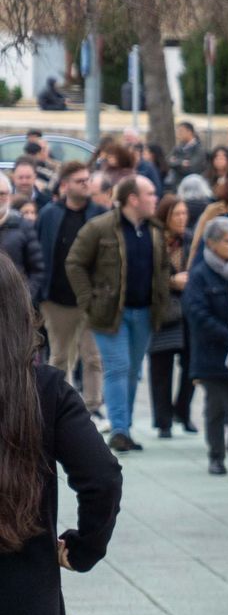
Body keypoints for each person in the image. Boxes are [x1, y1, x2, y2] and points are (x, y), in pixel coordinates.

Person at [0, 256, 121, 615]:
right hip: (17, 599)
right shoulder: (43, 389)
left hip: (19, 596)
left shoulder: (43, 390)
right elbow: (101, 475)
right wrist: (84, 546)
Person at [66, 175, 168, 453]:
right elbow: (74, 263)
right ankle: (119, 429)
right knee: (118, 367)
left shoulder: (155, 230)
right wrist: (88, 300)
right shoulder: (99, 228)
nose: (155, 198)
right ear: (133, 199)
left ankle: (125, 427)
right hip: (110, 314)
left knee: (133, 372)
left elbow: (162, 268)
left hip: (145, 312)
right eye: (150, 193)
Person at [184, 218, 228, 476]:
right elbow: (196, 313)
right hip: (212, 353)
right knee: (216, 408)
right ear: (212, 243)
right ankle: (216, 456)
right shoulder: (200, 275)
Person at [36, 162, 105, 421]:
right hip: (56, 298)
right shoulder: (49, 214)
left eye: (87, 179)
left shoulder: (99, 214)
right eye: (79, 181)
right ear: (64, 186)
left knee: (93, 356)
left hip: (91, 298)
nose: (86, 184)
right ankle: (56, 404)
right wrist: (39, 291)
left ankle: (92, 406)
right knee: (60, 356)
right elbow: (39, 251)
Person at [147, 195, 195, 439]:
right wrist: (171, 282)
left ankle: (183, 412)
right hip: (163, 312)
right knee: (161, 368)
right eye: (176, 214)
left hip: (189, 311)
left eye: (185, 213)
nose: (182, 218)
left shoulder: (191, 241)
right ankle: (163, 420)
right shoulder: (155, 242)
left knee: (191, 367)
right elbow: (147, 275)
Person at [0, 173, 44, 299]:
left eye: (2, 194)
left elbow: (37, 270)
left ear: (10, 196)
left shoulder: (23, 227)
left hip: (13, 303)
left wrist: (25, 298)